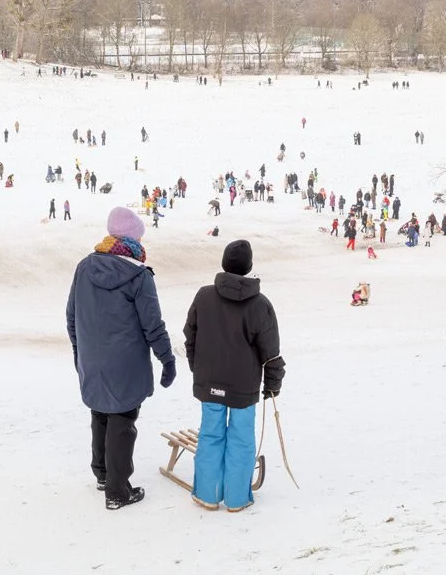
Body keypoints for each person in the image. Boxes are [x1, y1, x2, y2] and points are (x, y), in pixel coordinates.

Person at [65, 206, 176, 511]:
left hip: (93, 359)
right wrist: (167, 360)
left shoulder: (85, 267)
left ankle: (102, 475)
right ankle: (117, 490)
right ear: (133, 240)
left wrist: (80, 352)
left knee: (100, 412)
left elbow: (72, 316)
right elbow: (152, 325)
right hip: (125, 363)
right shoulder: (139, 275)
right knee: (123, 419)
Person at [182, 240, 285, 513]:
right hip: (243, 387)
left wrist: (199, 368)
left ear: (224, 264)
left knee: (211, 435)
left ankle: (207, 494)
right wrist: (273, 385)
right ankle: (238, 499)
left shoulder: (204, 296)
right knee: (240, 438)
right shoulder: (260, 304)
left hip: (211, 383)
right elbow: (271, 353)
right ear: (249, 267)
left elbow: (189, 336)